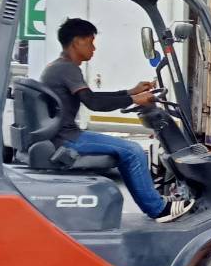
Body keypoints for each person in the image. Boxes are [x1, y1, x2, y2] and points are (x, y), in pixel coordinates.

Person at [40, 17, 195, 222]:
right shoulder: (67, 68)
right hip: (67, 138)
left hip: (62, 134)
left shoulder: (58, 67)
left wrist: (130, 92)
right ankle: (158, 209)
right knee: (133, 151)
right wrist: (134, 99)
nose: (94, 48)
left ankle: (154, 203)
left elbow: (91, 96)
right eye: (90, 42)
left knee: (127, 152)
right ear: (77, 42)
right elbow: (93, 103)